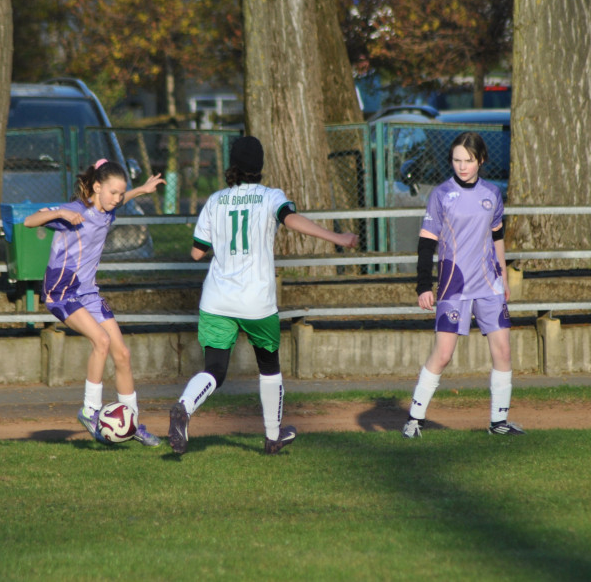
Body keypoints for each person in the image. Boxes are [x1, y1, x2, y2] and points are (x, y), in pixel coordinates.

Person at [168, 136, 359, 455]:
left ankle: (185, 407)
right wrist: (335, 236)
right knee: (268, 366)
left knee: (215, 369)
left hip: (216, 299)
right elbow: (291, 219)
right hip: (256, 301)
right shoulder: (270, 197)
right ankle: (272, 436)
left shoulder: (216, 200)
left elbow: (196, 253)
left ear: (232, 166)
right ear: (260, 167)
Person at [24, 159, 165, 446]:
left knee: (122, 354)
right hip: (61, 292)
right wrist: (62, 210)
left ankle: (131, 423)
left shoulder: (107, 210)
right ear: (97, 187)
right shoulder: (76, 211)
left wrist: (142, 189)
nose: (117, 198)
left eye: (119, 193)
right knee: (100, 341)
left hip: (87, 293)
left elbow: (122, 197)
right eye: (112, 192)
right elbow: (29, 220)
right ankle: (90, 411)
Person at [402, 131, 524, 438]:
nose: (462, 166)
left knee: (504, 350)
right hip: (452, 286)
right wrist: (423, 285)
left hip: (489, 284)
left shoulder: (493, 193)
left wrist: (504, 277)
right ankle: (414, 420)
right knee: (443, 354)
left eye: (468, 160)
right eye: (457, 160)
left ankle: (499, 423)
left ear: (480, 160)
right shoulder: (441, 195)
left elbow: (497, 236)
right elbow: (426, 244)